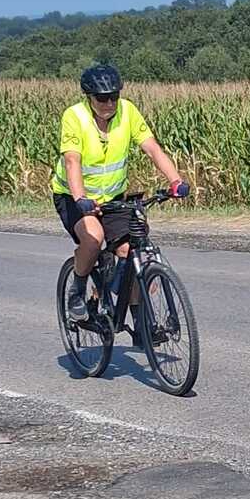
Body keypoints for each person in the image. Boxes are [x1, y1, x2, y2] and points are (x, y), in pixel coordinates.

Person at [51, 63, 190, 322]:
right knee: (93, 238)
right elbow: (72, 160)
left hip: (114, 199)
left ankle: (140, 324)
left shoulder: (127, 112)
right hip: (74, 197)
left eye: (113, 96)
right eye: (101, 98)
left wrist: (175, 181)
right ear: (89, 97)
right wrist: (81, 198)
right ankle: (77, 290)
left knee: (130, 250)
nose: (109, 103)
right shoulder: (75, 116)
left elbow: (152, 148)